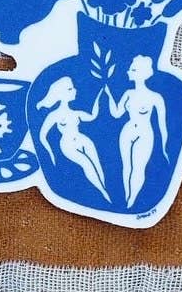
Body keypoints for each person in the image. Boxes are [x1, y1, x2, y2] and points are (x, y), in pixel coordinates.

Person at [108, 55, 166, 207]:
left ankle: (132, 200)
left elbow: (162, 125)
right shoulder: (128, 94)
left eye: (132, 69)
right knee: (126, 166)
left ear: (142, 73)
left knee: (139, 167)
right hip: (127, 130)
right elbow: (116, 114)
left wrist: (164, 147)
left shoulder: (155, 97)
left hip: (145, 133)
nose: (128, 71)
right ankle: (126, 197)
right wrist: (109, 95)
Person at [36, 77, 108, 197]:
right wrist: (51, 154)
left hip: (83, 139)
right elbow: (42, 136)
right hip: (68, 144)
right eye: (70, 89)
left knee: (97, 165)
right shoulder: (54, 115)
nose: (74, 90)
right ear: (61, 94)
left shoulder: (75, 113)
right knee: (87, 165)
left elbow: (92, 116)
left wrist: (99, 97)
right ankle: (103, 192)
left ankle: (105, 192)